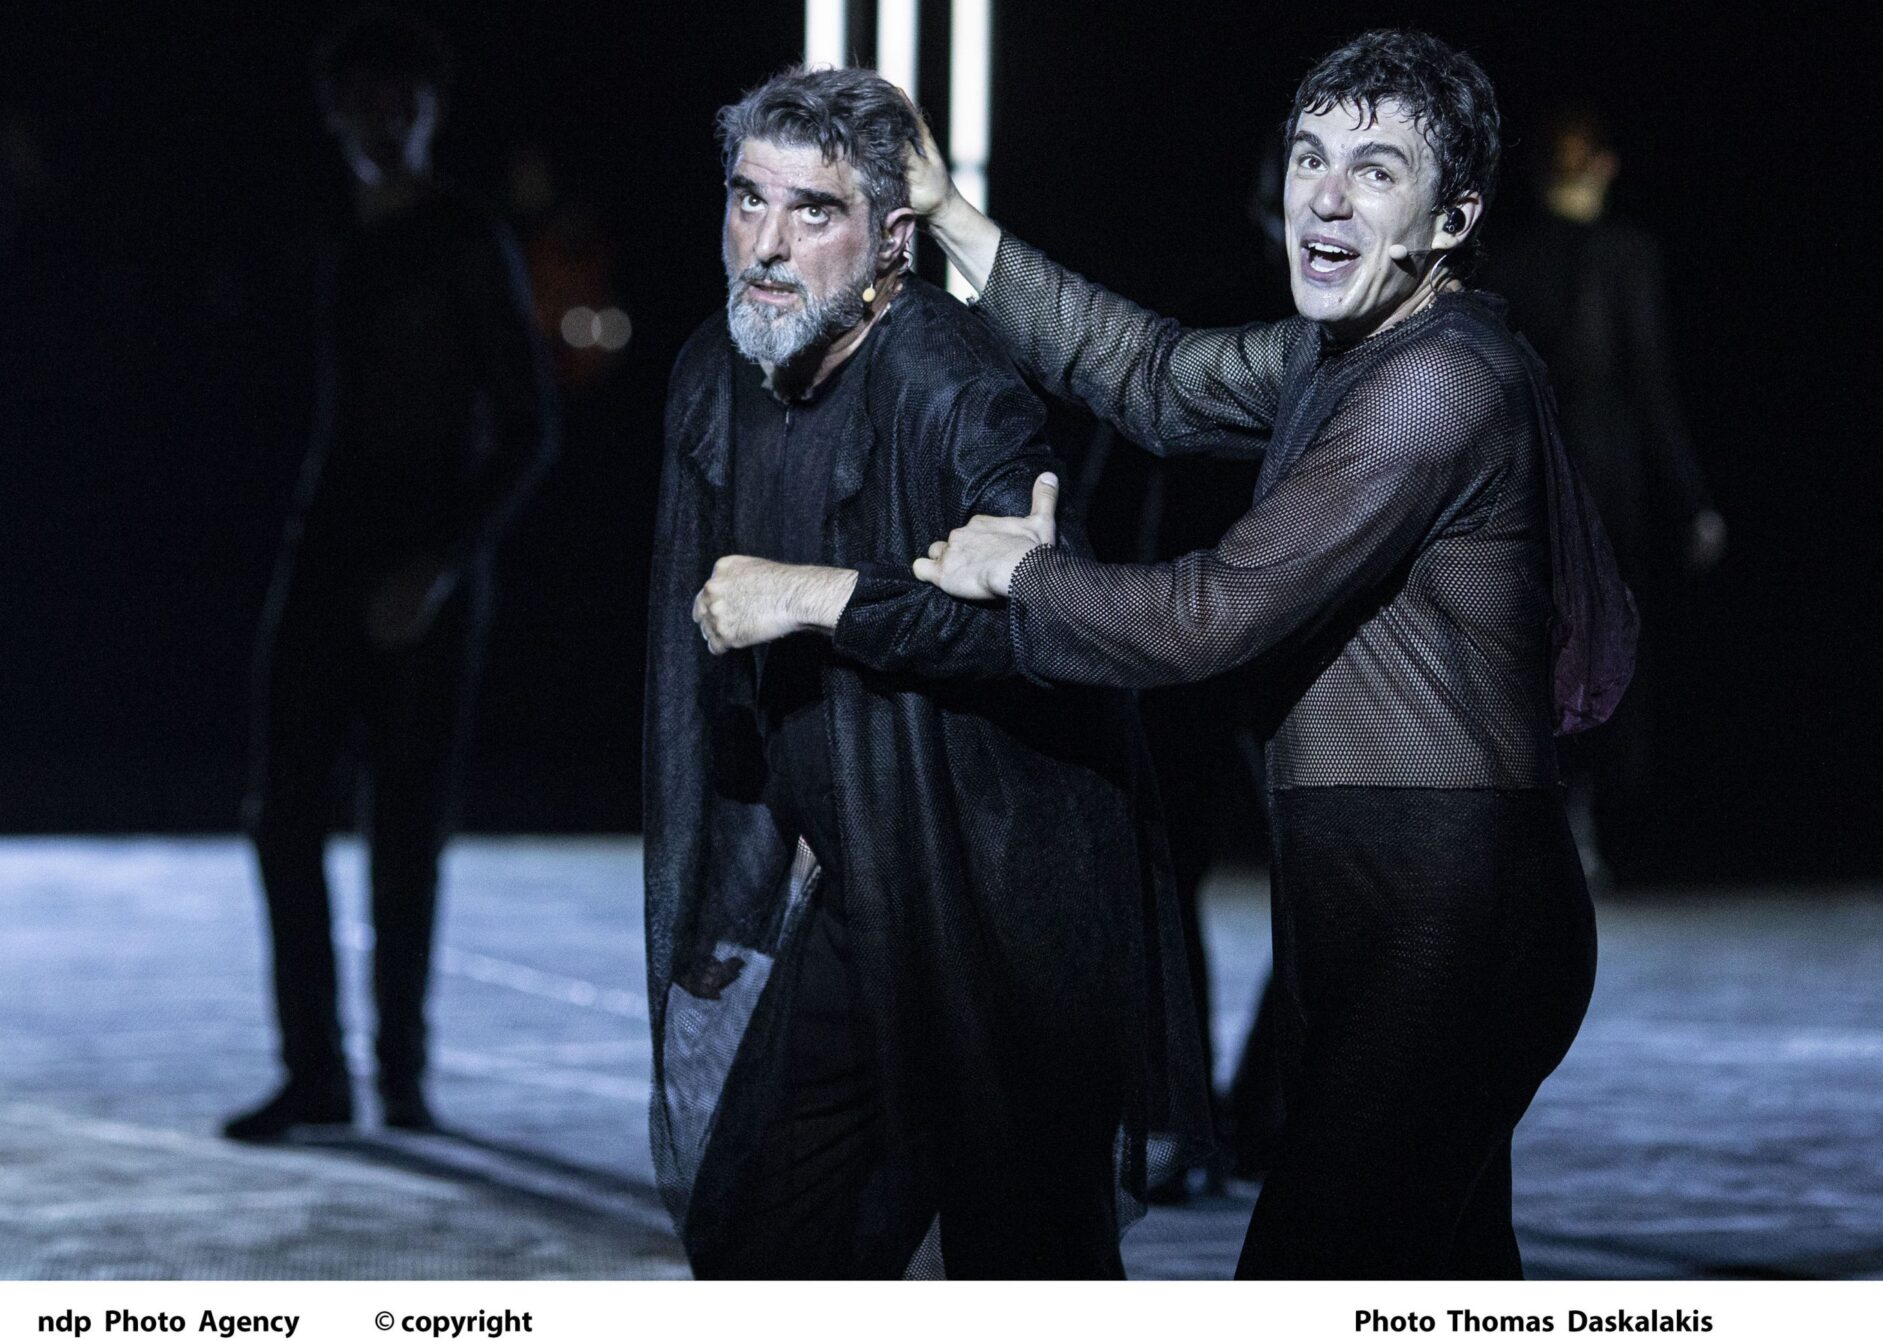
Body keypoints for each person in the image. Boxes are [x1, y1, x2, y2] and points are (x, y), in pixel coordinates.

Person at [907, 30, 1636, 1278]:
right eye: (1310, 158)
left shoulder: (1440, 385)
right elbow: (1147, 374)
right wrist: (947, 215)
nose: (1327, 198)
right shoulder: (1336, 356)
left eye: (1375, 170)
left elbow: (1215, 612)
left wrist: (1021, 575)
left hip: (1453, 929)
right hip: (1385, 926)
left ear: (1452, 220)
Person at [646, 65, 1204, 1279]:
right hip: (870, 888)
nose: (766, 245)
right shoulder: (719, 373)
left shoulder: (953, 384)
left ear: (893, 241)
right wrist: (732, 885)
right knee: (762, 1244)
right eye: (748, 200)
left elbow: (1047, 631)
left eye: (814, 211)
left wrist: (817, 595)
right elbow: (716, 668)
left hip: (1007, 904)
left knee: (1027, 1265)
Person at [225, 13, 557, 1140]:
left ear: (430, 113)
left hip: (427, 564)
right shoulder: (316, 235)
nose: (383, 121)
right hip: (323, 551)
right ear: (335, 112)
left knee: (405, 824)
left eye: (402, 102)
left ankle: (401, 1071)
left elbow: (528, 426)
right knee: (282, 815)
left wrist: (441, 563)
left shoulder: (462, 238)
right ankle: (314, 1071)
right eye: (364, 101)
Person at [1478, 106, 1725, 883]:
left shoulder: (1514, 258)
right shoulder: (1623, 255)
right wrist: (1691, 499)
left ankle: (1560, 818)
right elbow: (1649, 382)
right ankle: (1579, 820)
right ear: (1604, 168)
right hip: (1600, 484)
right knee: (1593, 650)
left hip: (1535, 481)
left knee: (1538, 648)